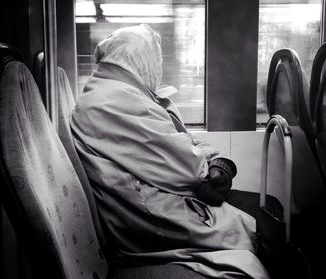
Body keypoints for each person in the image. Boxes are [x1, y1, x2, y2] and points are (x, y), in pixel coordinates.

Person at [70, 24, 269, 279]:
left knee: (263, 212)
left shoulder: (111, 94)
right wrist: (213, 162)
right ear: (141, 61)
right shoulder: (114, 102)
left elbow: (182, 145)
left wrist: (215, 161)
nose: (157, 70)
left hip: (154, 205)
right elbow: (191, 169)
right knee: (265, 219)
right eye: (155, 61)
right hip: (152, 222)